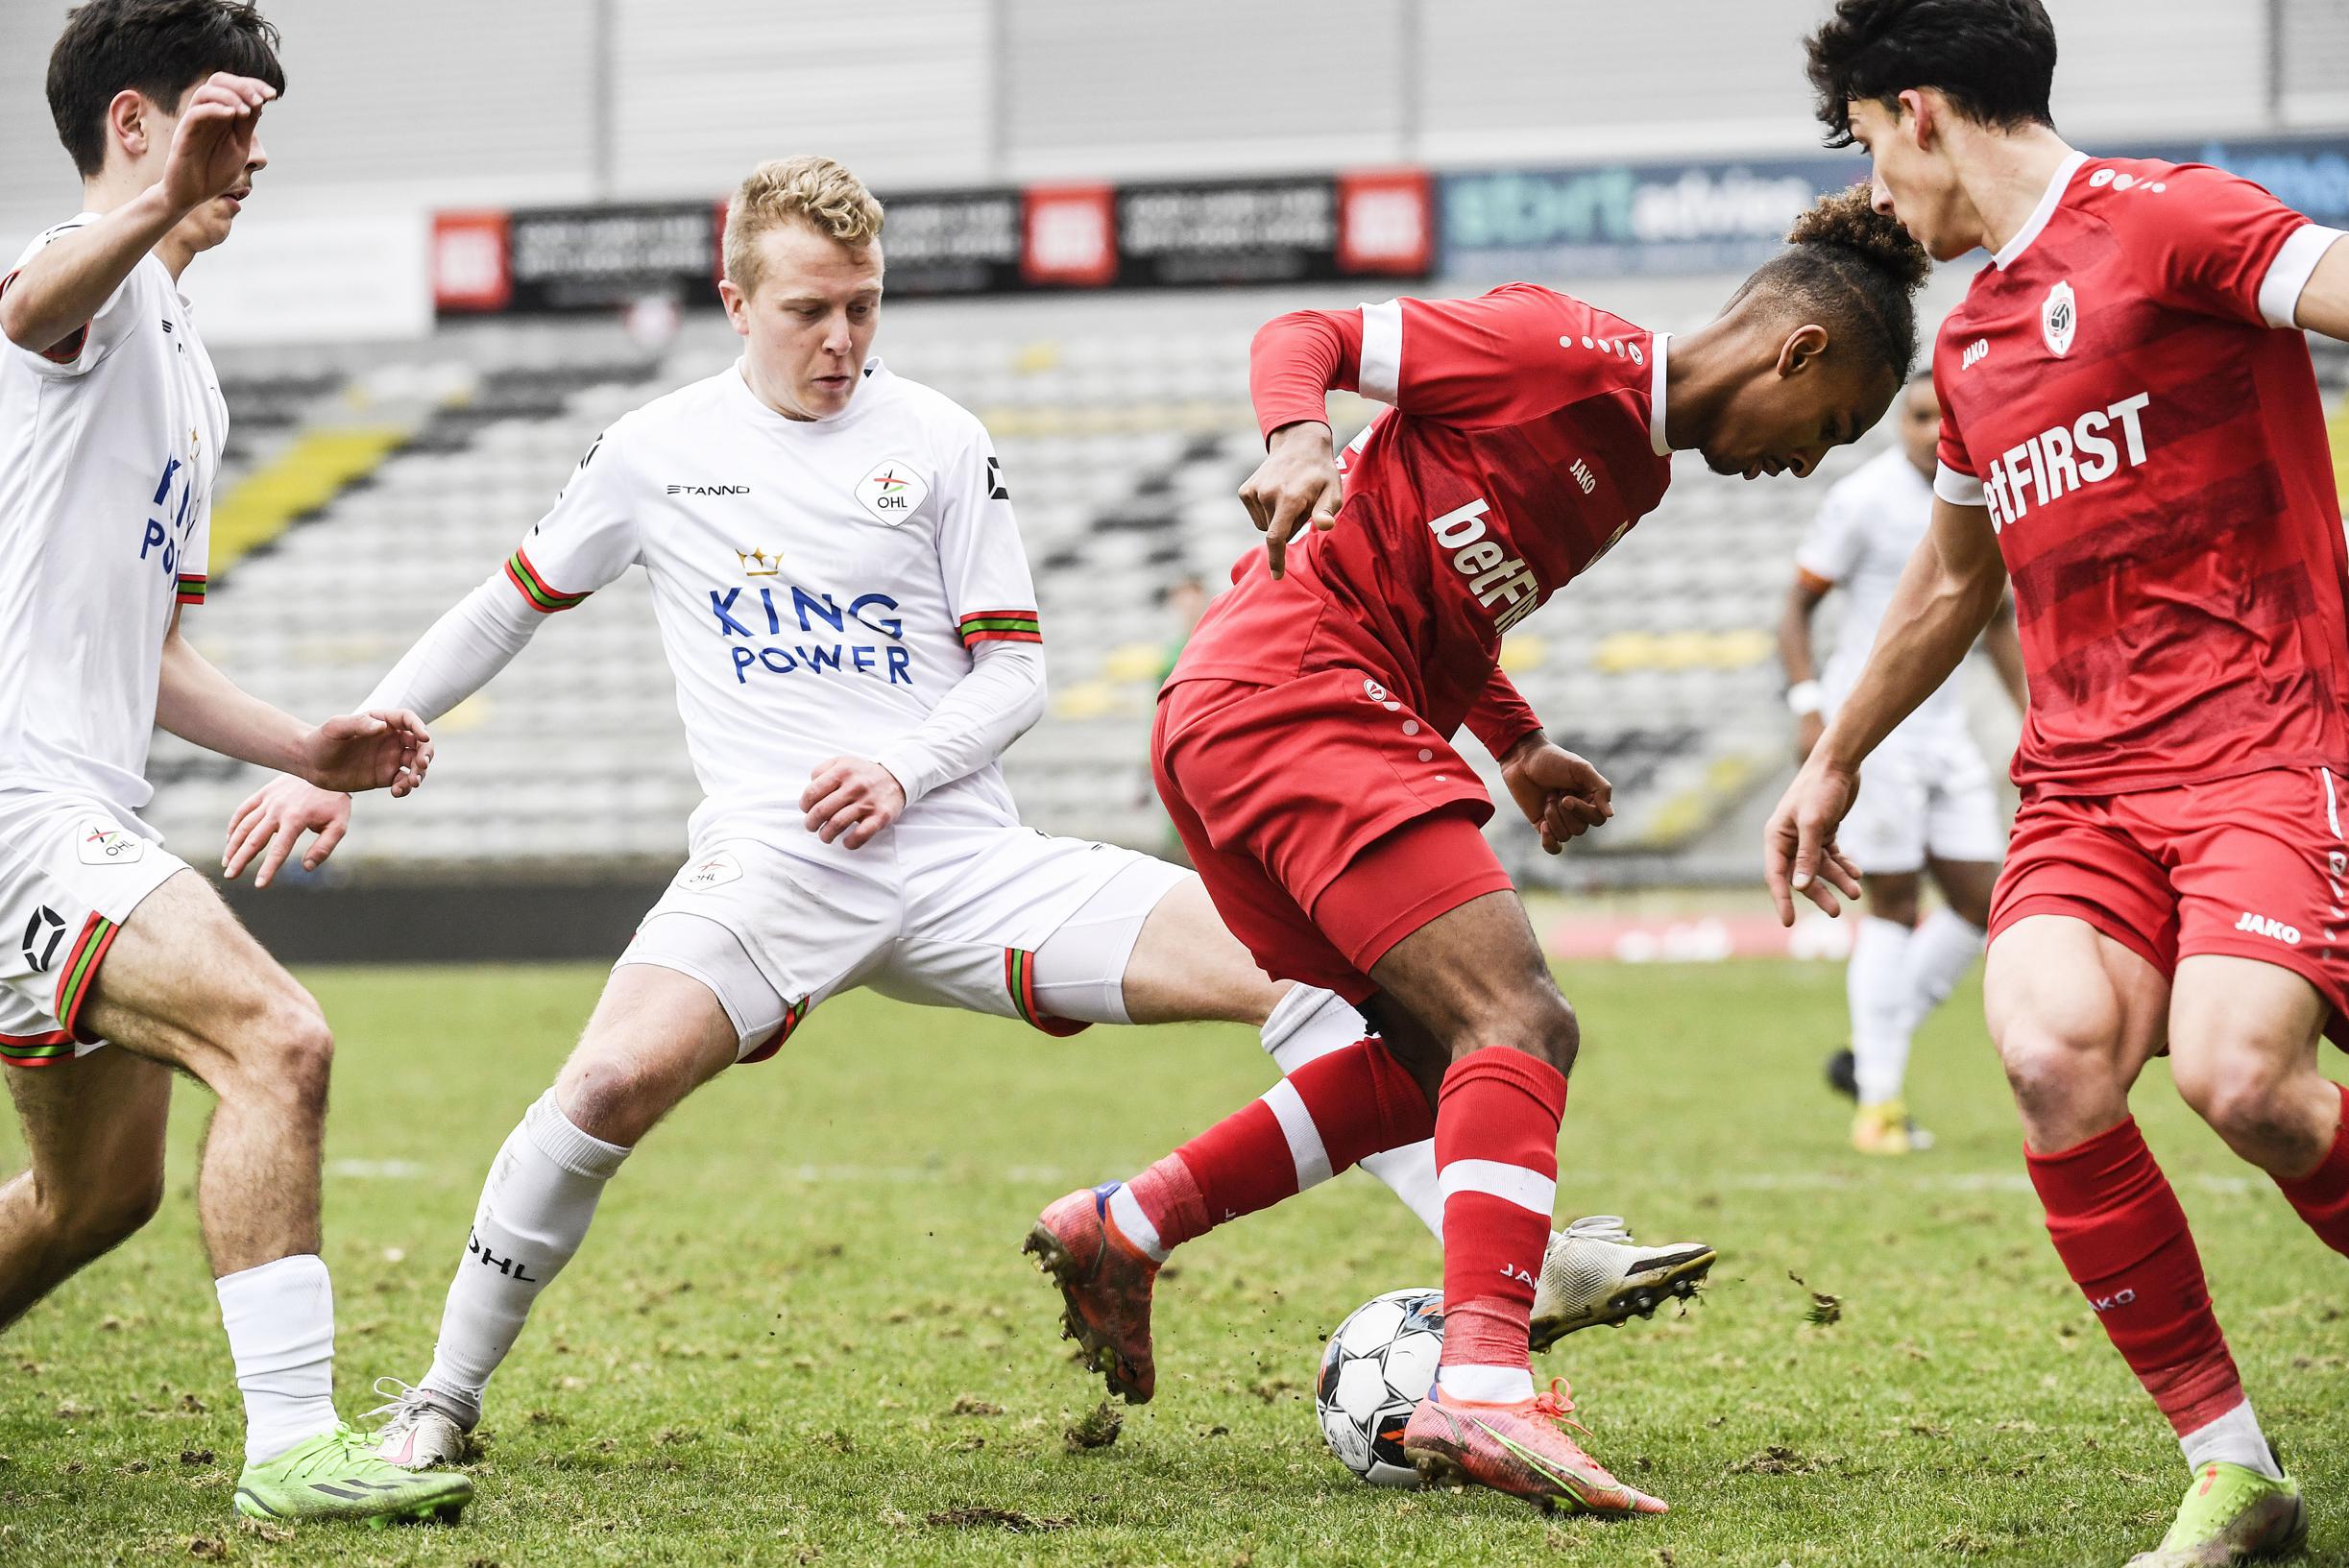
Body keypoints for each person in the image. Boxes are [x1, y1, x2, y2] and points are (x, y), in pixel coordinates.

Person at [219, 156, 1707, 1472]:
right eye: (809, 310)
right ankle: (439, 1399)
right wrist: (329, 754)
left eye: (864, 305)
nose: (842, 340)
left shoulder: (934, 438)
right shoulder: (650, 452)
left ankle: (1502, 1278)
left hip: (963, 861)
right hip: (767, 869)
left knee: (1321, 977)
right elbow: (506, 605)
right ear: (733, 299)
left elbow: (1014, 678)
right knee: (602, 1093)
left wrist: (905, 770)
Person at [1029, 186, 1930, 1516]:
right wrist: (1295, 442)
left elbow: (1447, 601)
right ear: (1796, 352)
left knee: (1422, 1063)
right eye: (1832, 426)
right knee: (1519, 1018)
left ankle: (1128, 1223)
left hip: (1257, 711)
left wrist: (1513, 743)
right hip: (1292, 688)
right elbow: (1306, 332)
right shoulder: (1561, 350)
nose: (1808, 462)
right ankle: (1484, 1388)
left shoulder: (1635, 468)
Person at [1772, 2, 2349, 1561]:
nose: (1879, 193)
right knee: (2045, 1052)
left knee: (2241, 1076)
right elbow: (1954, 587)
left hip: (2267, 751)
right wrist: (1832, 753)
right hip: (2087, 791)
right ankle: (2236, 1472)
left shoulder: (2174, 221)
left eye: (1871, 148)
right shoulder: (1963, 348)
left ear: (1921, 113)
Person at [0, 0, 471, 1526]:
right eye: (218, 122)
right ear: (128, 125)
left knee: (98, 1196)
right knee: (280, 1038)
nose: (248, 155)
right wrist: (149, 200)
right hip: (17, 802)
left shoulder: (187, 364)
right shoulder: (77, 285)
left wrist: (302, 744)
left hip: (79, 788)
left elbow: (146, 652)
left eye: (260, 126)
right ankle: (292, 1450)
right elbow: (28, 314)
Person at [1778, 369, 2026, 1153]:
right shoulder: (1864, 498)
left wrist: (2037, 714)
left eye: (1940, 416)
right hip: (1876, 728)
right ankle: (1878, 1106)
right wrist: (1810, 706)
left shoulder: (1988, 491)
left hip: (1946, 733)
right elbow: (1795, 605)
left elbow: (1996, 621)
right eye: (1916, 416)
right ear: (1897, 422)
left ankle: (1870, 1052)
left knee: (1983, 904)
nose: (1928, 430)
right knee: (1892, 902)